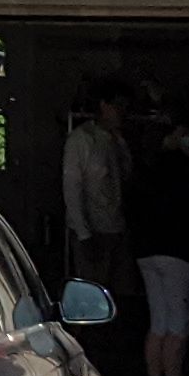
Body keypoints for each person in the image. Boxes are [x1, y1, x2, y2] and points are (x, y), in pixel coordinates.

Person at [123, 85, 189, 376]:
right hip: (181, 253)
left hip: (148, 252)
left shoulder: (148, 167)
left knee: (157, 324)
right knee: (177, 327)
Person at [60, 86, 128, 296]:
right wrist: (83, 232)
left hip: (116, 227)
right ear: (104, 106)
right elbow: (72, 186)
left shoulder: (116, 140)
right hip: (92, 230)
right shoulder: (81, 140)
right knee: (91, 293)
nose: (122, 112)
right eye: (118, 106)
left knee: (118, 293)